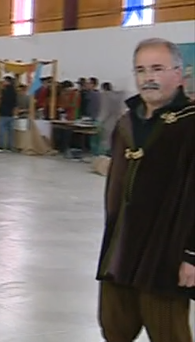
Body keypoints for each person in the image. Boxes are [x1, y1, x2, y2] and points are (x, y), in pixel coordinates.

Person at [96, 38, 195, 341]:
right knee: (114, 326)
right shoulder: (127, 122)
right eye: (140, 70)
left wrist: (192, 255)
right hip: (120, 247)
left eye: (157, 68)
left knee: (168, 332)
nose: (147, 77)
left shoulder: (190, 124)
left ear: (179, 75)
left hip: (165, 252)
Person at [0, 76, 17, 152]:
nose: (3, 83)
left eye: (4, 81)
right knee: (11, 131)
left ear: (8, 82)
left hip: (4, 113)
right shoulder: (14, 91)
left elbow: (1, 101)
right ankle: (10, 146)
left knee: (2, 130)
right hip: (11, 113)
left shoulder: (4, 91)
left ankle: (1, 145)